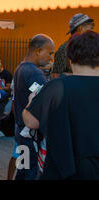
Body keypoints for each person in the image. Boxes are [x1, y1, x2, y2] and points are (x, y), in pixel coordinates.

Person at [23, 31, 99, 179]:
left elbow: (31, 121)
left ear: (70, 60)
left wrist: (31, 101)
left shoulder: (58, 87)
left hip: (65, 168)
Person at [13, 34, 55, 180]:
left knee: (22, 170)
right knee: (30, 173)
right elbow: (42, 103)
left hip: (21, 131)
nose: (51, 58)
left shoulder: (21, 67)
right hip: (30, 134)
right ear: (39, 50)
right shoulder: (34, 73)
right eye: (50, 53)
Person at [52, 13, 94, 78]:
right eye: (90, 29)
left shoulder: (91, 47)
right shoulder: (64, 49)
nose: (92, 32)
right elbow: (55, 76)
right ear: (81, 28)